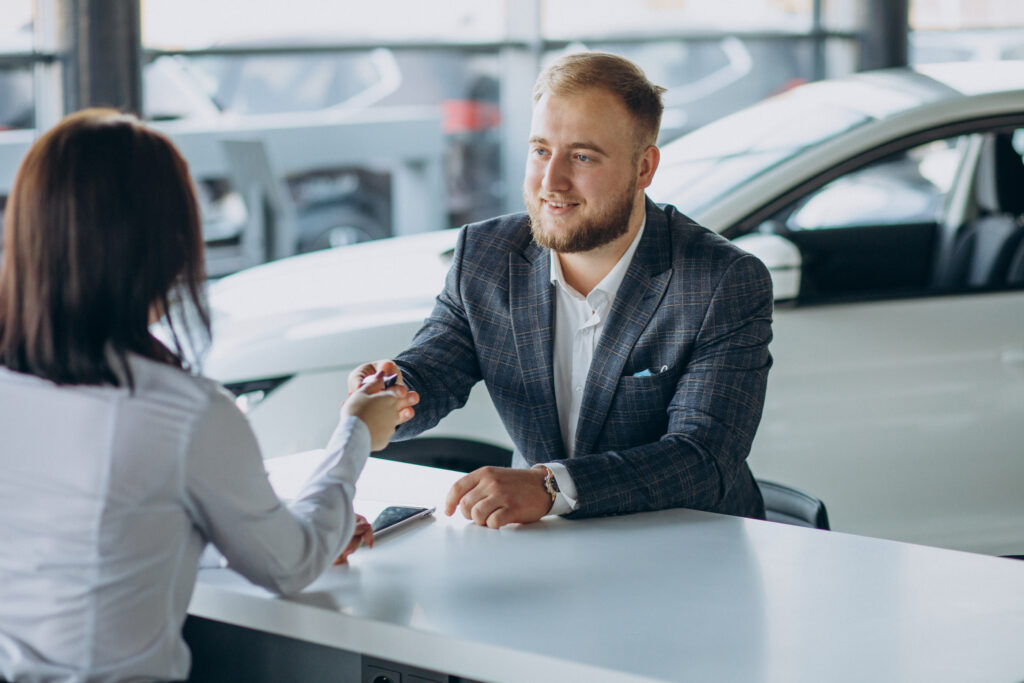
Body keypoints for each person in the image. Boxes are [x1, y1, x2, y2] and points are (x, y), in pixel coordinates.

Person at [0, 109, 416, 682]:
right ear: (164, 244)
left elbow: (98, 536)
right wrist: (356, 433)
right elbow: (290, 564)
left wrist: (239, 533)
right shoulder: (179, 412)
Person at [350, 52, 773, 529]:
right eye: (540, 151)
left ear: (644, 168)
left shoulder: (722, 281)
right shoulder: (487, 255)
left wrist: (550, 487)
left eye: (582, 156)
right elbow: (434, 368)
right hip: (550, 547)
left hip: (691, 550)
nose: (552, 182)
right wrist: (395, 391)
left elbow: (703, 459)